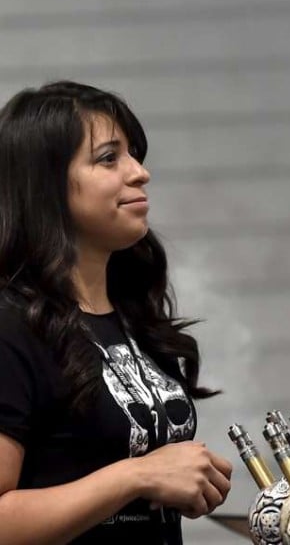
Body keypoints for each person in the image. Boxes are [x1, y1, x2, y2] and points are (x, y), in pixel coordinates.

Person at [0, 81, 233, 544]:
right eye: (109, 158)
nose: (140, 172)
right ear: (45, 185)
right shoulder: (11, 326)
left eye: (134, 154)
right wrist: (137, 476)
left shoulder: (133, 318)